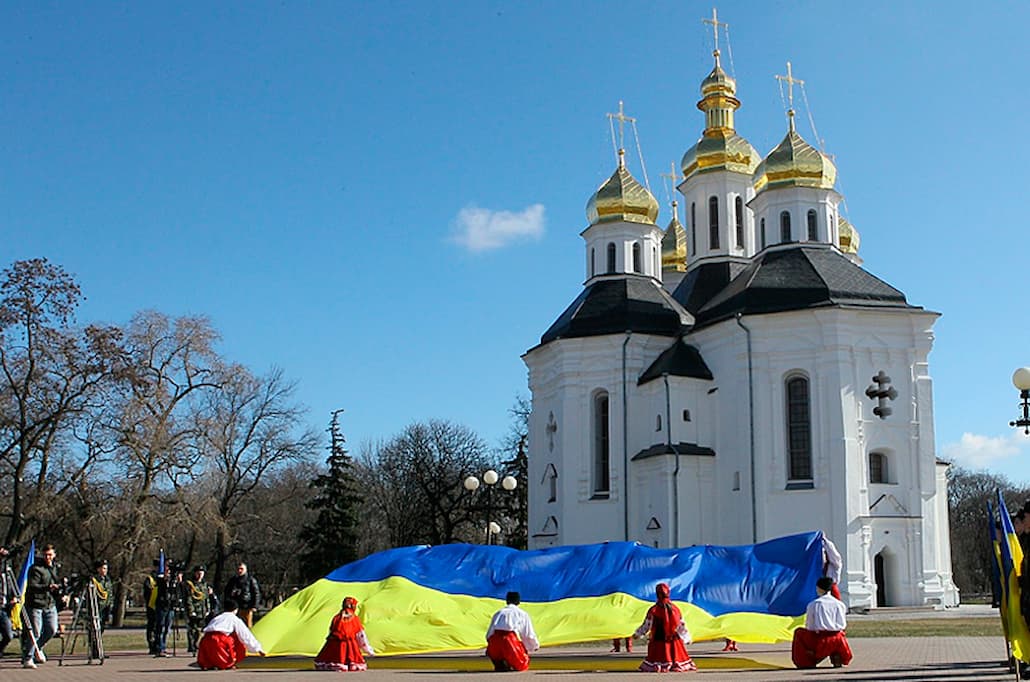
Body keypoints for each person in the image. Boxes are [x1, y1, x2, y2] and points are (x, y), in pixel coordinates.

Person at [633, 582, 696, 673]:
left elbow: (647, 624)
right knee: (677, 655)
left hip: (658, 639)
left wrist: (638, 633)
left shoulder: (654, 610)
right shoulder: (675, 609)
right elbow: (680, 625)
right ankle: (674, 663)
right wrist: (686, 637)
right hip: (673, 639)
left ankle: (663, 664)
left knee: (657, 658)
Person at [791, 576, 853, 669]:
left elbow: (810, 626)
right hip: (837, 639)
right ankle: (837, 657)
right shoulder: (839, 604)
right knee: (840, 636)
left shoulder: (814, 604)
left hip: (819, 639)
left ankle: (807, 660)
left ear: (819, 588)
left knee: (799, 632)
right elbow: (842, 624)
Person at [20, 543, 60, 669]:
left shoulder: (55, 568)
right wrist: (48, 587)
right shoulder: (35, 568)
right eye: (46, 555)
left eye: (50, 555)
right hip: (35, 604)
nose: (48, 557)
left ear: (54, 555)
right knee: (35, 632)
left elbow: (56, 584)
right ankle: (28, 657)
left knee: (52, 629)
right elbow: (32, 586)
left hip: (50, 604)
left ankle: (38, 648)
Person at [196, 598, 266, 670]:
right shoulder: (234, 619)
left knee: (211, 654)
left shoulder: (217, 618)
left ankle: (209, 664)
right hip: (220, 640)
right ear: (236, 609)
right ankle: (228, 663)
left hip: (206, 640)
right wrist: (258, 648)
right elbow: (245, 635)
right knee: (237, 641)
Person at [314, 596, 375, 671]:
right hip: (350, 644)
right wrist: (368, 650)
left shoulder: (336, 617)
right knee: (352, 655)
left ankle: (338, 662)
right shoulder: (354, 618)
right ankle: (350, 663)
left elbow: (331, 631)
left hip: (335, 644)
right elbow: (360, 635)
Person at [485, 591, 539, 672]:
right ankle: (509, 663)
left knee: (497, 656)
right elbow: (528, 634)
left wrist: (490, 647)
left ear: (507, 601)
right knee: (522, 665)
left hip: (495, 642)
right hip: (510, 642)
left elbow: (489, 634)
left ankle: (500, 663)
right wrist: (534, 646)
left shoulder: (498, 613)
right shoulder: (522, 614)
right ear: (518, 601)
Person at [184, 565, 214, 654]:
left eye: (202, 573)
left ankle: (197, 645)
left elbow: (206, 598)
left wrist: (208, 609)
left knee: (200, 630)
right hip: (194, 610)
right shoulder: (191, 585)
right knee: (193, 629)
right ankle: (192, 646)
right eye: (198, 572)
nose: (200, 574)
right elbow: (189, 599)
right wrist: (191, 611)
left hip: (203, 611)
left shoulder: (205, 585)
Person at [223, 562, 261, 628]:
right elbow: (227, 592)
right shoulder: (233, 580)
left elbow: (256, 593)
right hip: (234, 608)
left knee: (247, 626)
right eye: (238, 569)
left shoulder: (251, 580)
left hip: (246, 607)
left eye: (241, 569)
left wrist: (255, 606)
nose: (239, 571)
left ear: (245, 569)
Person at [0, 545, 18, 657]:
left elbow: (11, 588)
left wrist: (14, 598)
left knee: (8, 635)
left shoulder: (6, 574)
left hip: (4, 608)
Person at [142, 561, 160, 655]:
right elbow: (148, 592)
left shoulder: (162, 578)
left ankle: (159, 645)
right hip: (152, 606)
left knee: (160, 627)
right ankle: (152, 645)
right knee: (152, 626)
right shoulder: (150, 579)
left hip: (161, 606)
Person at [92, 560, 113, 633]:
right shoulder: (94, 580)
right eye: (103, 568)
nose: (105, 570)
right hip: (97, 606)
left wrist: (110, 605)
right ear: (98, 569)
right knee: (95, 628)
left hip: (105, 607)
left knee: (102, 627)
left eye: (106, 569)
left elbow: (110, 594)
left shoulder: (107, 580)